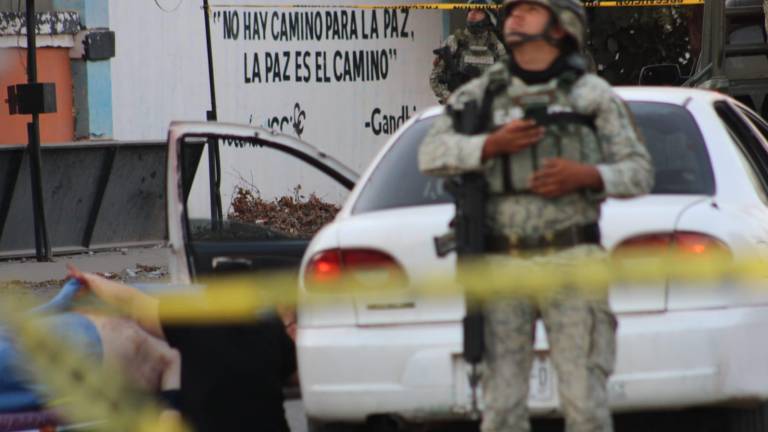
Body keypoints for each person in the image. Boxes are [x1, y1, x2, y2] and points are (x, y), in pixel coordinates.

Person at [419, 1, 654, 431]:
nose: (515, 16)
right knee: (501, 410)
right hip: (503, 264)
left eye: (530, 8)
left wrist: (588, 175)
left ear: (561, 26)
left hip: (574, 261)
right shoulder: (483, 94)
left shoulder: (590, 95)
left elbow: (639, 171)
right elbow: (431, 154)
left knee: (586, 405)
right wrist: (489, 145)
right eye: (512, 10)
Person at [67, 266, 297, 432]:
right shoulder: (271, 331)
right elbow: (297, 376)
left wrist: (91, 281)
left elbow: (134, 302)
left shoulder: (192, 325)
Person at [430, 0, 508, 104]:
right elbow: (434, 79)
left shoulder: (496, 46)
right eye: (470, 10)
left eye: (478, 10)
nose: (472, 13)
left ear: (489, 17)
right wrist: (451, 98)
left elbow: (505, 81)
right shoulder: (454, 41)